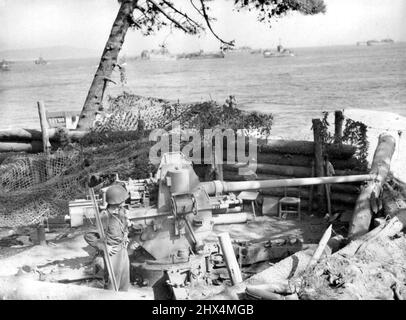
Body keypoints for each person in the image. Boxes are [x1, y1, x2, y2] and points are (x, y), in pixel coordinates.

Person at [84, 184, 131, 291]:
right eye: (123, 199)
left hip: (123, 251)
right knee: (112, 284)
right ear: (116, 200)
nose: (125, 201)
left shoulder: (121, 211)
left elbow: (124, 227)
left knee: (124, 282)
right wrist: (104, 247)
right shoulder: (104, 216)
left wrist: (126, 234)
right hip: (112, 254)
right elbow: (88, 235)